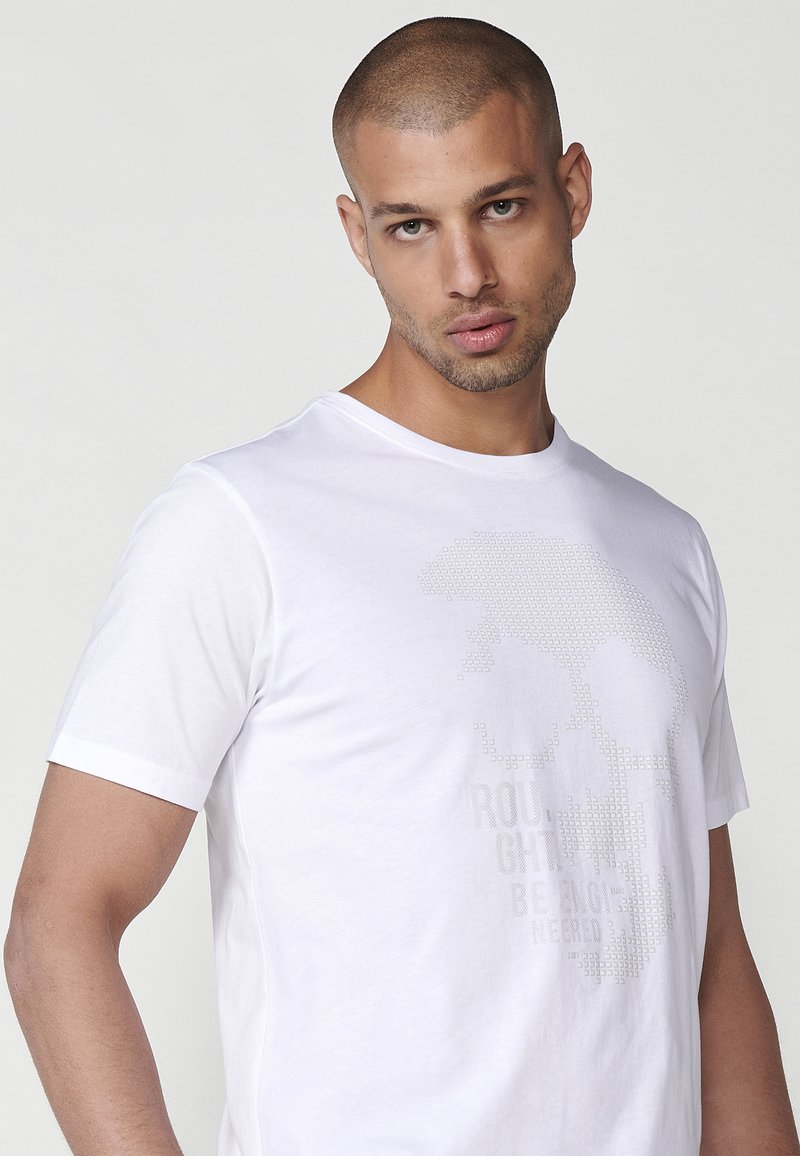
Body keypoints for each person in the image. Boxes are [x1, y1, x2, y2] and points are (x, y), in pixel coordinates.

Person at [4, 15, 799, 1156]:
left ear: (573, 189)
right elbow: (59, 923)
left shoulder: (662, 549)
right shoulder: (241, 524)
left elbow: (712, 960)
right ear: (358, 235)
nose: (465, 275)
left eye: (501, 207)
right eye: (411, 226)